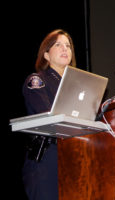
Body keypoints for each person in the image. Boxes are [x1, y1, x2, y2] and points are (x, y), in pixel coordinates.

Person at [22, 29, 76, 200]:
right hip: (47, 160)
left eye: (68, 46)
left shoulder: (78, 87)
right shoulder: (37, 80)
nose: (65, 49)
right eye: (58, 45)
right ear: (46, 54)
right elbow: (48, 115)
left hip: (74, 158)